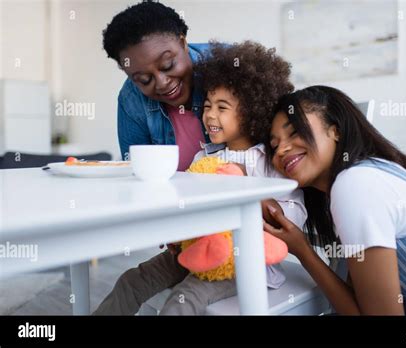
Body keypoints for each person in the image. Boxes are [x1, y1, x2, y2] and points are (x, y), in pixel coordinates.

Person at [94, 41, 307, 315]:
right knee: (130, 281)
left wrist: (254, 200)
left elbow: (295, 216)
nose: (210, 115)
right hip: (195, 253)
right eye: (207, 106)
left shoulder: (269, 161)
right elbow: (185, 205)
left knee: (185, 298)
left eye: (222, 107)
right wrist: (176, 232)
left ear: (253, 109)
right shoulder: (204, 159)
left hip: (245, 265)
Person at [263, 85, 406, 315]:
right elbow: (360, 305)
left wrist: (303, 250)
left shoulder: (356, 184)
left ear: (336, 131)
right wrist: (301, 247)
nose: (281, 149)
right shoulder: (369, 171)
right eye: (273, 147)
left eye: (294, 132)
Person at [102, 1, 210, 170]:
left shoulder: (230, 69)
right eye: (144, 79)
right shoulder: (131, 98)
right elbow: (138, 173)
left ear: (183, 44)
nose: (162, 83)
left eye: (168, 65)